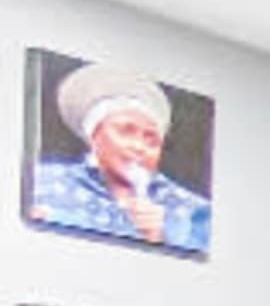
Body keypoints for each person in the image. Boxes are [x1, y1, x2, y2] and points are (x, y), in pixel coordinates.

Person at [27, 64, 211, 253]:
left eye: (151, 140)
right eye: (126, 131)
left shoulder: (192, 212)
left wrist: (160, 239)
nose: (138, 147)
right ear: (94, 136)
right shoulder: (42, 182)